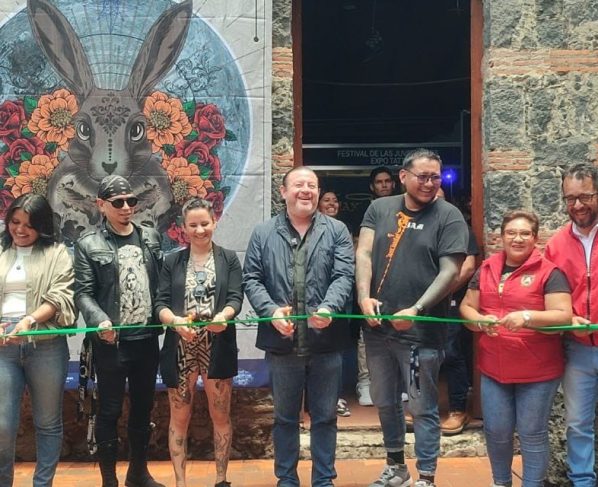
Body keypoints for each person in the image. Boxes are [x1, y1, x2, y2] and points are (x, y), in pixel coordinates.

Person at [356, 148, 468, 487]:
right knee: (386, 401)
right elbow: (363, 251)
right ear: (403, 176)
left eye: (436, 176)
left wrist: (417, 309)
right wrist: (363, 297)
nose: (430, 183)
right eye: (423, 176)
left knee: (422, 406)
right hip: (377, 329)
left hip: (421, 334)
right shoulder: (379, 207)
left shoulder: (449, 216)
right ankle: (396, 468)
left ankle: (427, 476)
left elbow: (450, 271)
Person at [243, 166, 354, 487]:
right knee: (284, 419)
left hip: (326, 342)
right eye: (299, 185)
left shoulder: (337, 231)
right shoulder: (263, 232)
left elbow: (344, 275)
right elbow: (252, 278)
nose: (306, 191)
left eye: (312, 186)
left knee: (325, 417)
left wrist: (330, 306)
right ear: (283, 192)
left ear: (318, 193)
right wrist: (271, 311)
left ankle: (323, 480)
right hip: (282, 344)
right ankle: (286, 480)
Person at [460, 210, 571, 487]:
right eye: (511, 233)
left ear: (535, 238)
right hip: (493, 368)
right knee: (496, 432)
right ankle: (500, 483)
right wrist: (478, 320)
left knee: (532, 433)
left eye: (524, 233)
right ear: (501, 237)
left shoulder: (550, 272)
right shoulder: (485, 268)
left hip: (538, 371)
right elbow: (466, 307)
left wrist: (527, 316)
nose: (517, 239)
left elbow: (563, 316)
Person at [74, 175, 164, 487]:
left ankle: (138, 473)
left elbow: (160, 285)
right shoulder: (88, 244)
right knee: (109, 409)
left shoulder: (151, 237)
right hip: (110, 342)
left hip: (146, 338)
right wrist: (100, 320)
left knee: (143, 408)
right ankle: (109, 480)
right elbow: (83, 293)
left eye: (131, 201)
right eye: (118, 202)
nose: (126, 207)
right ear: (101, 205)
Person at [156, 198, 242, 487]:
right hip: (180, 345)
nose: (200, 230)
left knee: (220, 413)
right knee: (179, 415)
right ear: (184, 228)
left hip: (217, 343)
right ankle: (180, 481)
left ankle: (221, 479)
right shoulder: (171, 261)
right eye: (193, 225)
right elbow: (160, 304)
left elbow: (235, 297)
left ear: (214, 222)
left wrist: (225, 316)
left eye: (205, 223)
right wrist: (175, 322)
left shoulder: (229, 258)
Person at [0, 194, 77, 487]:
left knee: (47, 423)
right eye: (15, 222)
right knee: (3, 426)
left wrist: (30, 320)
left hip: (45, 346)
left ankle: (42, 484)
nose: (20, 230)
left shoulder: (56, 252)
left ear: (42, 227)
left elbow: (60, 296)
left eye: (29, 225)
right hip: (3, 348)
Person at [544, 163, 598, 487]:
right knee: (577, 423)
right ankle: (583, 481)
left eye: (585, 196)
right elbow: (549, 293)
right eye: (570, 198)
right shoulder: (556, 244)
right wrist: (567, 318)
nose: (577, 205)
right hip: (578, 348)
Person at [436, 188, 480, 435]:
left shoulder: (459, 226)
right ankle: (423, 409)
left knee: (452, 353)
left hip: (450, 301)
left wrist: (438, 293)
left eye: (440, 197)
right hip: (419, 304)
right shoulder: (414, 226)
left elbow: (469, 265)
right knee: (420, 356)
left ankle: (457, 410)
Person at [355, 167, 397, 408]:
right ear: (372, 187)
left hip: (395, 282)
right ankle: (365, 383)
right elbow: (360, 249)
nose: (383, 185)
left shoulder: (404, 210)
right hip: (368, 282)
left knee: (397, 334)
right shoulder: (366, 212)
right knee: (366, 335)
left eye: (387, 181)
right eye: (379, 182)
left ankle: (396, 384)